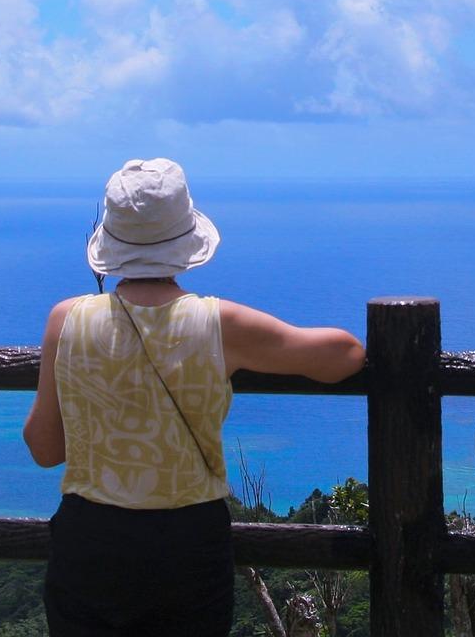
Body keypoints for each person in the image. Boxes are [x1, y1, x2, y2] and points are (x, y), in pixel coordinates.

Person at [22, 158, 367, 636]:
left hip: (89, 538)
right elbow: (345, 354)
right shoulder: (220, 323)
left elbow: (44, 448)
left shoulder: (65, 319)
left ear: (110, 243)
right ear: (186, 241)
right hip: (185, 540)